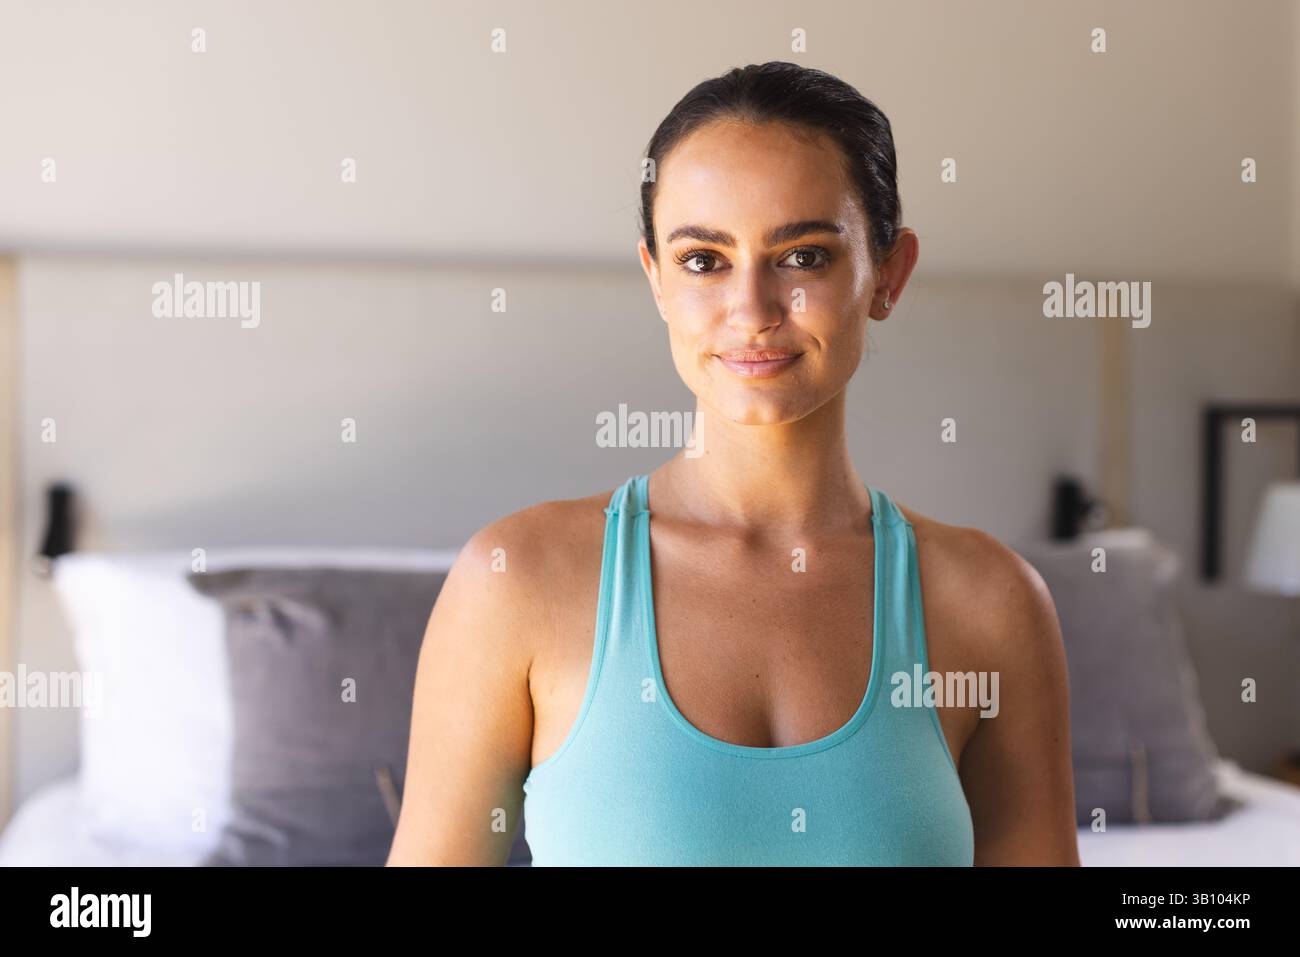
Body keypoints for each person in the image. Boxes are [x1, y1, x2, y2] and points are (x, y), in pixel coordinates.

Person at [388, 61, 1079, 866]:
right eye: (704, 260)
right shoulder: (516, 582)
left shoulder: (990, 603)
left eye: (804, 257)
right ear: (655, 278)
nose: (751, 310)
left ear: (888, 273)